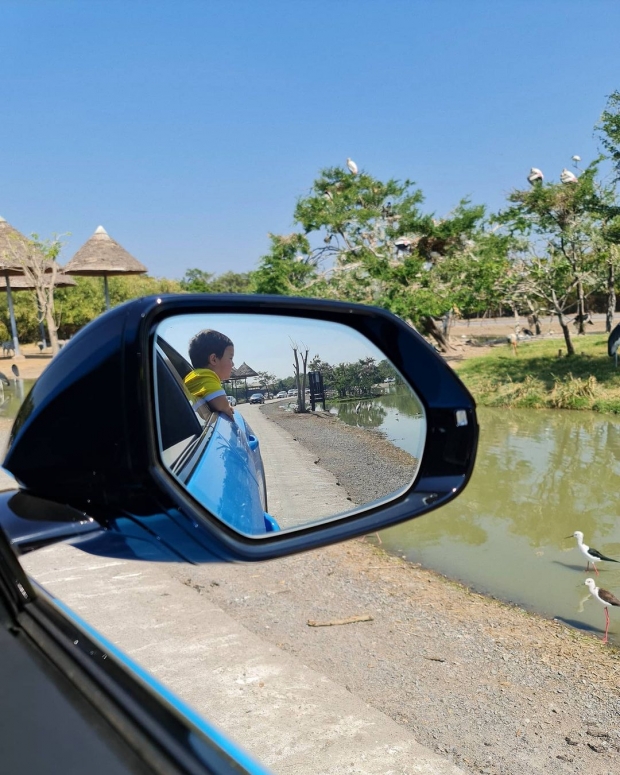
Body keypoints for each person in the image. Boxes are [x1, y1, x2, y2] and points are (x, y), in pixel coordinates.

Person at [184, 329, 235, 420]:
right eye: (230, 358)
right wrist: (228, 408)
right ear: (214, 359)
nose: (233, 364)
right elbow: (221, 404)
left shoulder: (195, 376)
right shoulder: (206, 375)